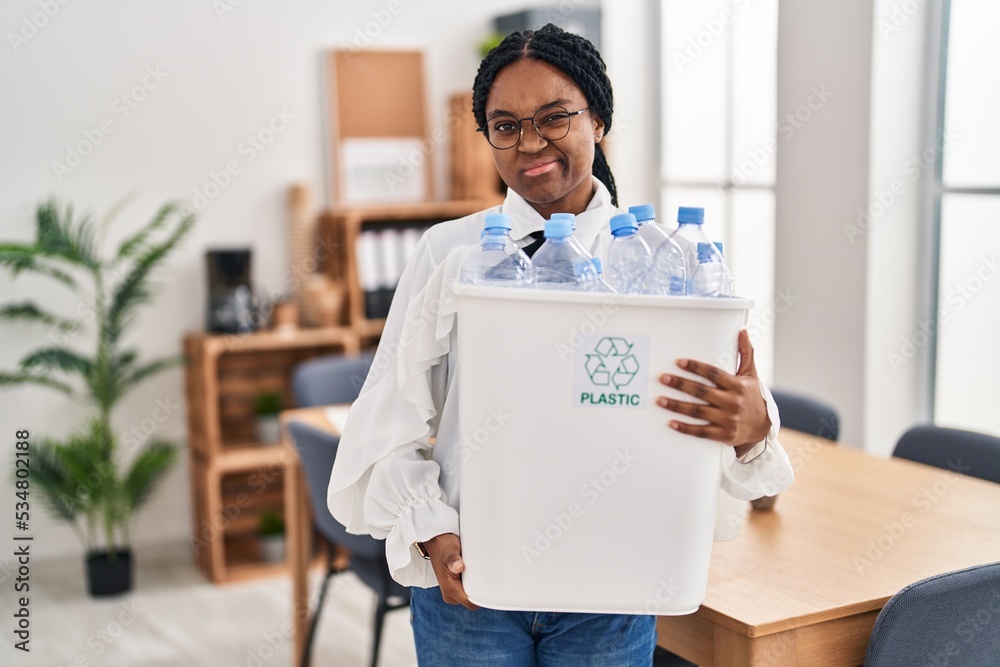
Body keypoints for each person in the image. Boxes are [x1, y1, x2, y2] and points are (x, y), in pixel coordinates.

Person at [329, 24, 793, 666]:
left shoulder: (674, 262)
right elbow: (390, 420)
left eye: (554, 118)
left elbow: (732, 415)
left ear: (597, 120)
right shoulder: (450, 253)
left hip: (613, 580)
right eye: (506, 125)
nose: (531, 143)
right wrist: (429, 528)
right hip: (473, 575)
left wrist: (752, 426)